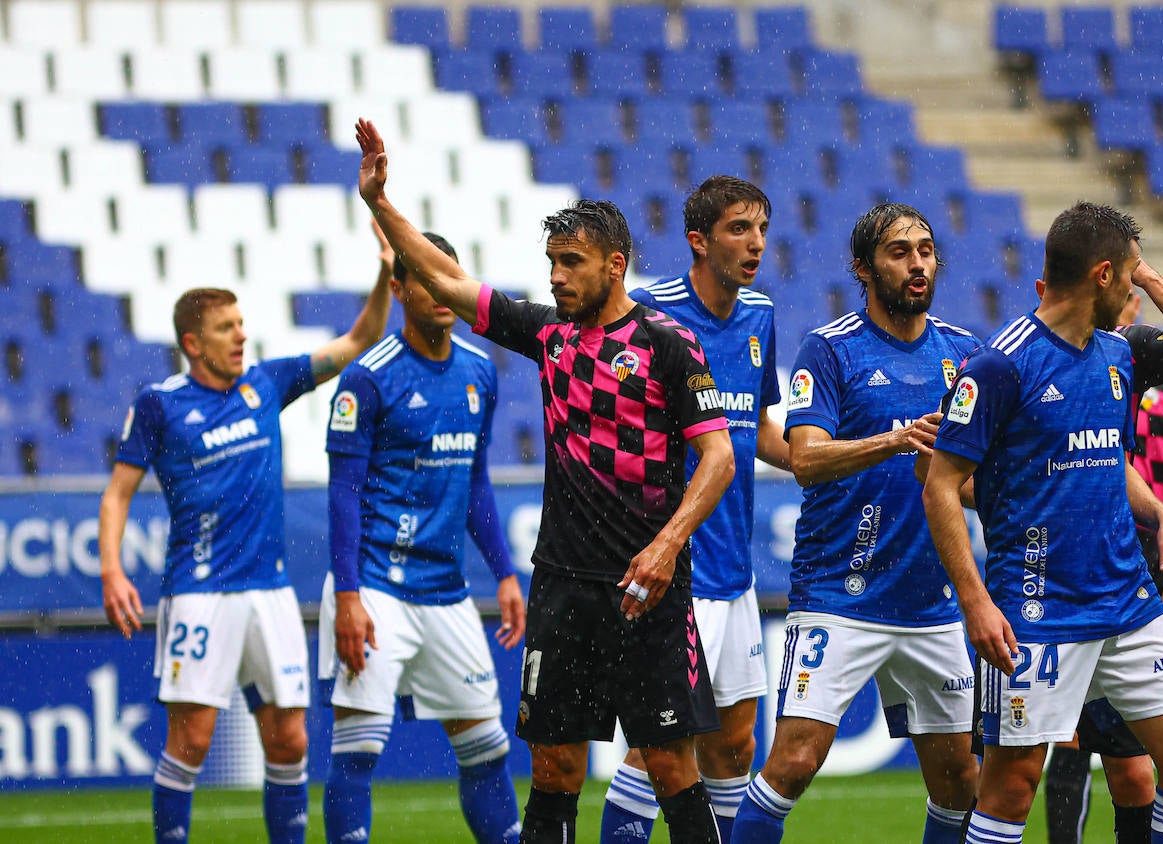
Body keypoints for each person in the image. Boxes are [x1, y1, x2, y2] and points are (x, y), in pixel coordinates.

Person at [354, 118, 735, 844]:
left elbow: (717, 458)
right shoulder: (547, 335)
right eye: (552, 262)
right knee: (555, 769)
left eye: (571, 262)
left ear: (614, 266)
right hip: (562, 586)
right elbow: (444, 278)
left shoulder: (666, 344)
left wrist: (665, 547)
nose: (556, 276)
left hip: (647, 589)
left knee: (669, 766)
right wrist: (379, 201)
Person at [923, 201, 1163, 844]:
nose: (1138, 286)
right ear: (1104, 275)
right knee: (1011, 788)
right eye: (1132, 275)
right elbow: (940, 484)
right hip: (1037, 609)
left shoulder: (1118, 352)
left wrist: (1161, 513)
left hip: (1128, 601)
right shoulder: (1000, 365)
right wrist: (975, 602)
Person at [98, 251, 392, 844]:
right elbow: (116, 495)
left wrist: (386, 272)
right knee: (192, 741)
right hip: (200, 591)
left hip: (270, 592)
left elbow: (360, 340)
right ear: (192, 343)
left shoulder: (266, 382)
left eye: (241, 324)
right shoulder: (159, 404)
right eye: (225, 328)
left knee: (290, 740)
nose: (241, 336)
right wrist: (112, 571)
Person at [731, 203, 981, 844]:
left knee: (961, 783)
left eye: (925, 250)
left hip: (930, 601)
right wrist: (894, 440)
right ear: (863, 268)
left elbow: (975, 484)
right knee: (793, 762)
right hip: (840, 596)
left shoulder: (964, 354)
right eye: (899, 252)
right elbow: (806, 459)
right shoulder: (831, 348)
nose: (917, 264)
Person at [318, 228, 526, 844]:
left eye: (447, 277)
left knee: (487, 749)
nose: (440, 290)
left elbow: (476, 481)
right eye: (425, 278)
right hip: (376, 587)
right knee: (358, 751)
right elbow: (342, 492)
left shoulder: (480, 371)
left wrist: (505, 573)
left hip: (446, 591)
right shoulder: (367, 378)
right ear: (400, 287)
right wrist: (348, 596)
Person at [600, 175, 791, 844]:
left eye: (761, 229)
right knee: (658, 749)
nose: (756, 243)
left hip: (734, 568)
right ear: (698, 241)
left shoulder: (760, 313)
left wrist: (832, 457)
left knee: (735, 746)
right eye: (739, 229)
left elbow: (756, 430)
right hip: (673, 568)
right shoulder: (651, 313)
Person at [1043, 289, 1163, 844]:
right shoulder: (1069, 369)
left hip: (1161, 564)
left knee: (1155, 757)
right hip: (1086, 565)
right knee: (1068, 740)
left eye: (1125, 290)